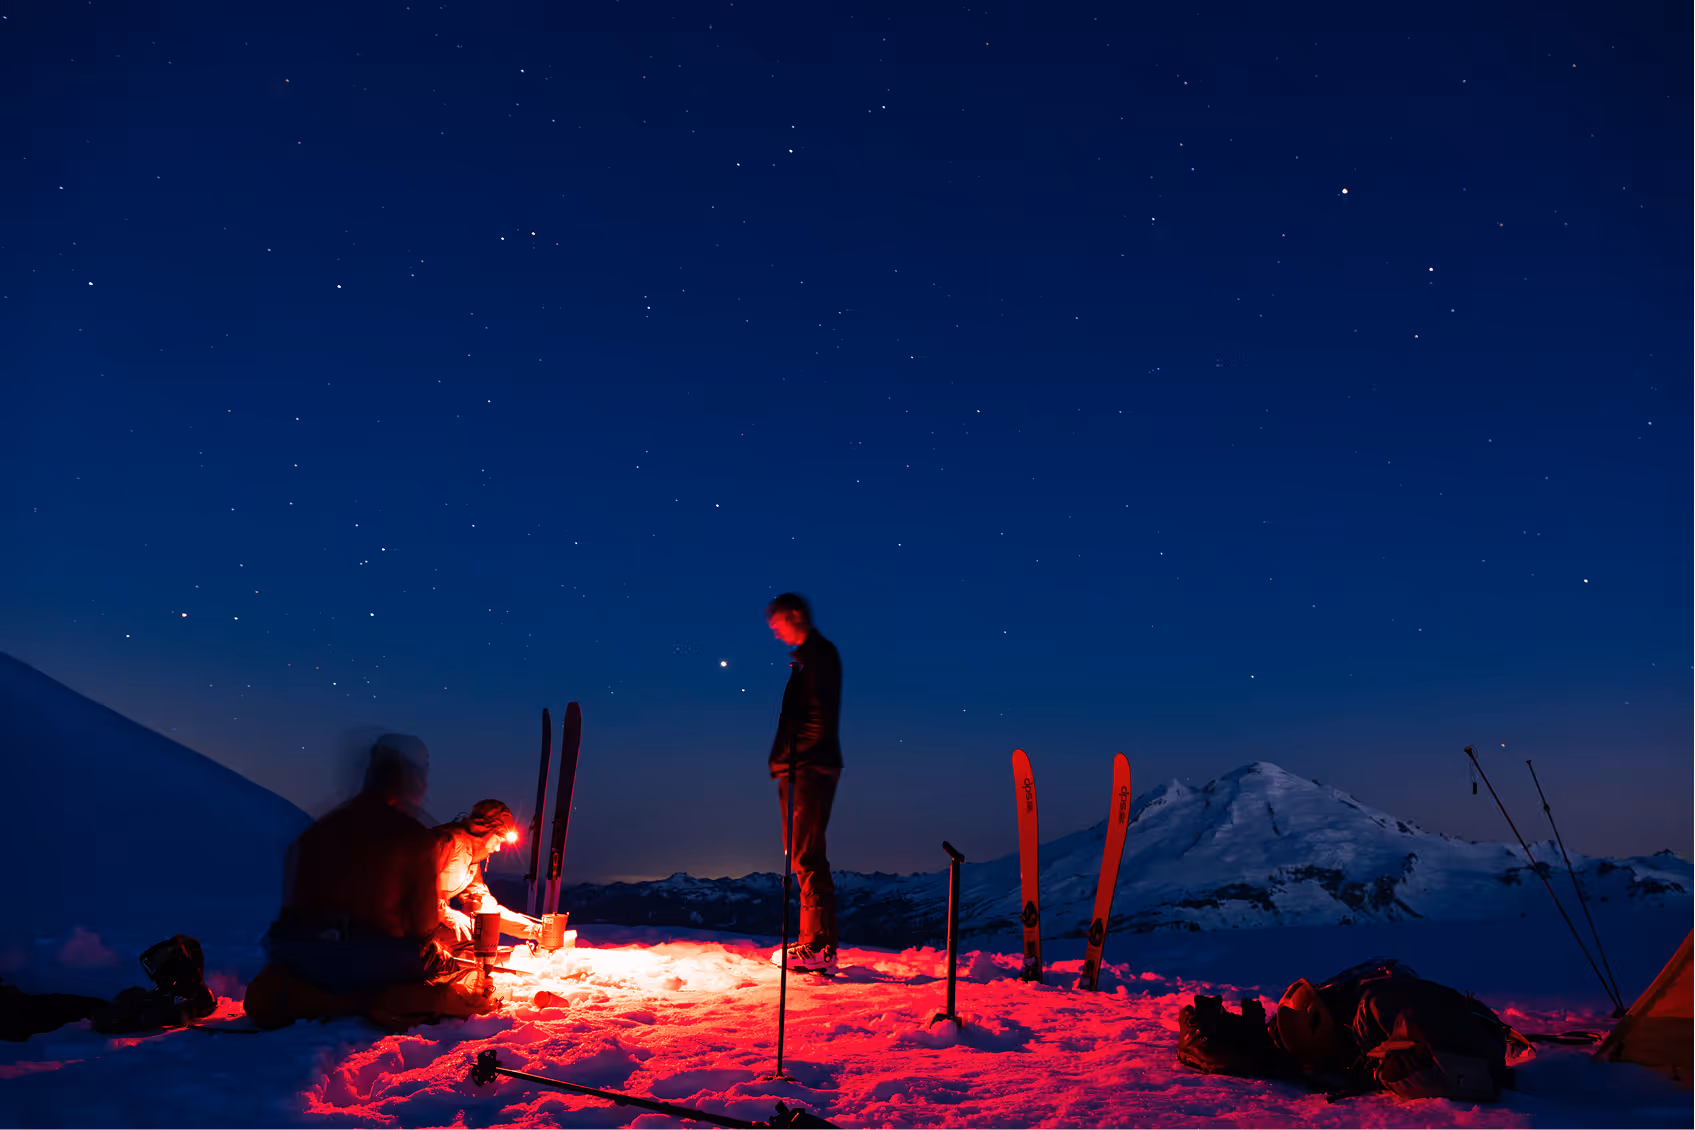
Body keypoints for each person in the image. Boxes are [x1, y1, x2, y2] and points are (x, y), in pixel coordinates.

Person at [245, 734, 487, 1030]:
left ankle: (320, 999)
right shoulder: (411, 837)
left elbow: (293, 912)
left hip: (306, 958)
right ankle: (385, 1002)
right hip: (371, 960)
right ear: (410, 781)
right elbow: (421, 926)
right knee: (456, 972)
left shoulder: (316, 834)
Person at [765, 592, 843, 975]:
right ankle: (815, 942)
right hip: (805, 766)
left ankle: (819, 946)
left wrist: (794, 759)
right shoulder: (811, 659)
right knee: (802, 852)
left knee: (806, 853)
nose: (776, 634)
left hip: (808, 768)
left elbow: (817, 719)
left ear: (794, 616)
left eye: (777, 624)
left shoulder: (818, 658)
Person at [433, 800, 540, 950]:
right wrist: (445, 913)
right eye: (498, 840)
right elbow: (412, 883)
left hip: (428, 922)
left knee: (477, 938)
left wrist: (535, 930)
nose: (497, 849)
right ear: (484, 831)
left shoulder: (472, 862)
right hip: (405, 924)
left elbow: (486, 908)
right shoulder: (446, 842)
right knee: (466, 938)